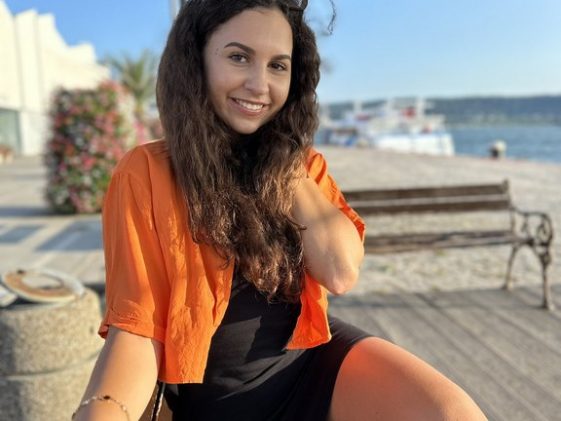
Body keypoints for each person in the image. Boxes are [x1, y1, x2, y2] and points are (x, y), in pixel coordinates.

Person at [74, 1, 488, 420]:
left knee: (453, 414)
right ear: (196, 60)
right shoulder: (147, 172)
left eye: (278, 66)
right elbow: (136, 327)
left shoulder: (304, 166)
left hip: (309, 365)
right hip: (213, 400)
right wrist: (102, 410)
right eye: (239, 57)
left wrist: (282, 155)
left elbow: (341, 272)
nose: (260, 85)